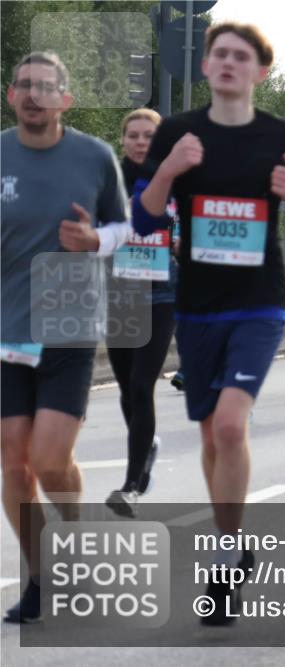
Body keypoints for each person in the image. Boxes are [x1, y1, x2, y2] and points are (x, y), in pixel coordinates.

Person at [134, 22, 285, 625]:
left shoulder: (284, 136)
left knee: (233, 426)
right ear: (205, 65)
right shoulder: (178, 132)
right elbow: (144, 221)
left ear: (260, 72)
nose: (227, 63)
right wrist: (169, 171)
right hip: (197, 305)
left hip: (260, 301)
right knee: (214, 433)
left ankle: (221, 558)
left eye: (241, 57)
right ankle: (233, 538)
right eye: (219, 54)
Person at [2, 51, 129, 623]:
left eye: (46, 86)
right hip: (4, 328)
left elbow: (124, 228)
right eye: (24, 85)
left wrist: (94, 241)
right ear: (10, 95)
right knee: (13, 465)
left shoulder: (95, 156)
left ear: (65, 99)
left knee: (51, 463)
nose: (34, 94)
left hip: (67, 321)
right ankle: (38, 576)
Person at [104, 108, 179, 518]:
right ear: (123, 140)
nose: (139, 141)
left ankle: (131, 484)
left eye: (148, 135)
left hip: (161, 293)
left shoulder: (176, 180)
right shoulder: (107, 180)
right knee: (124, 387)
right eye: (132, 135)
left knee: (139, 385)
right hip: (118, 295)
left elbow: (191, 227)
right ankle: (145, 443)